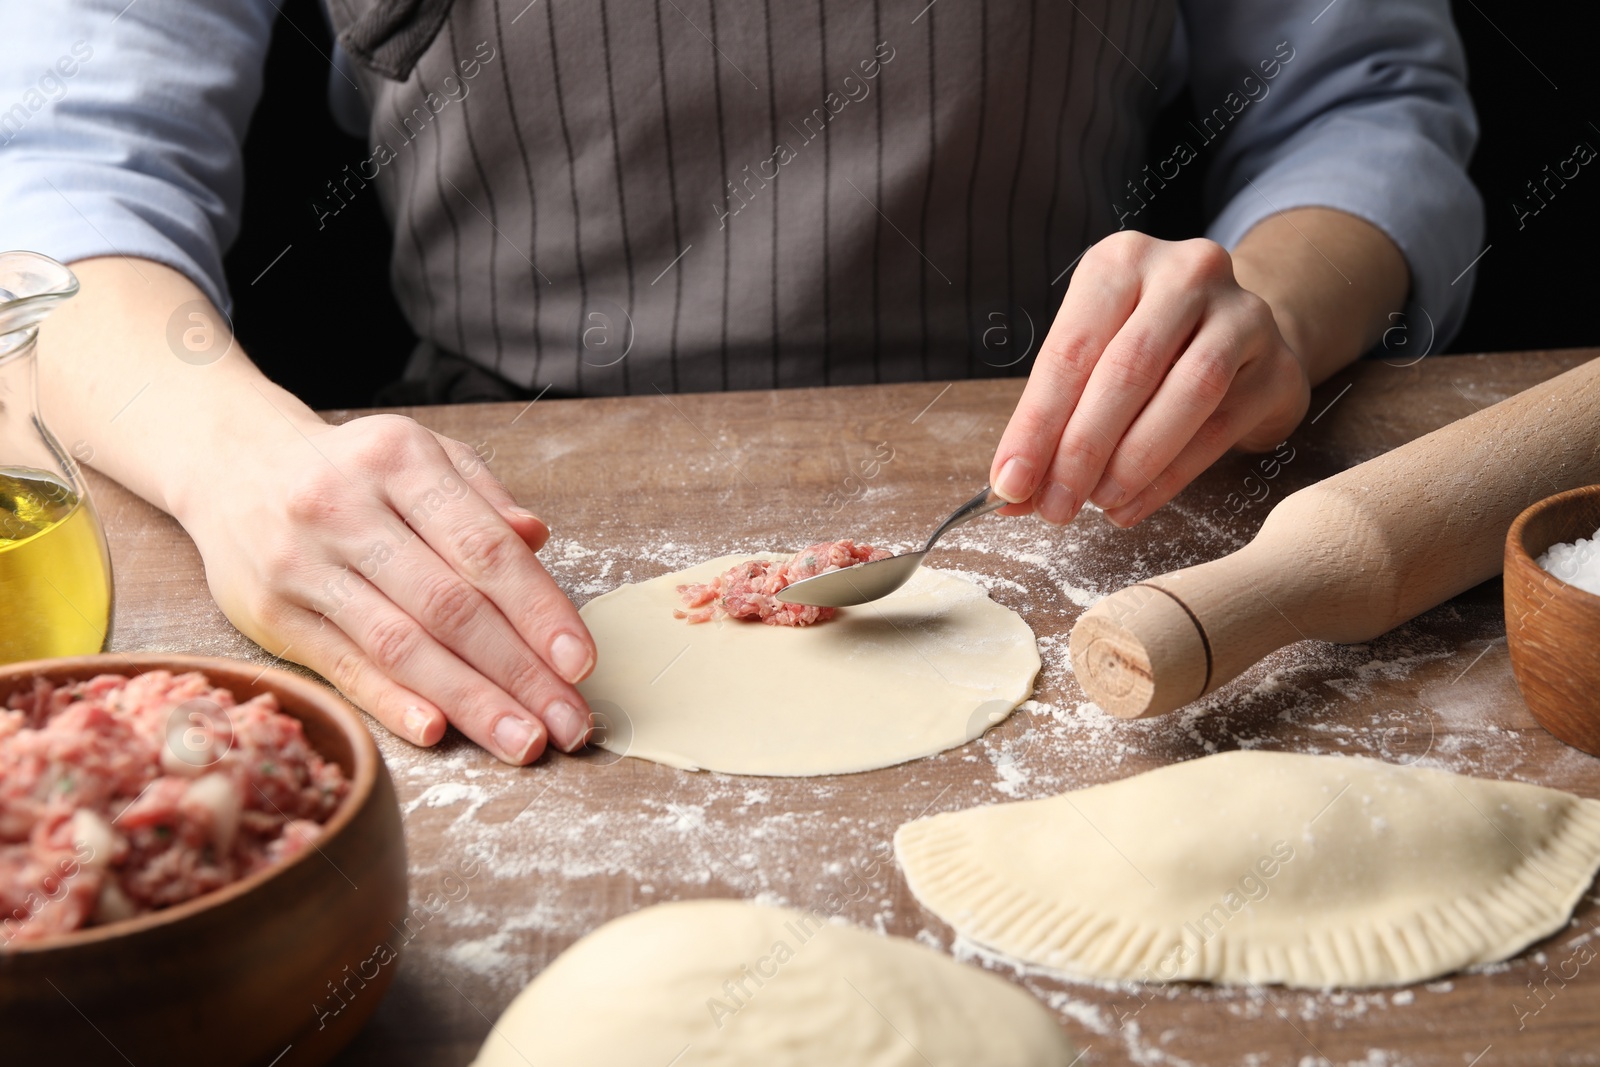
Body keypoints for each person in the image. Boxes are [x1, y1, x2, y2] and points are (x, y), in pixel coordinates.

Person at [0, 0, 1482, 765]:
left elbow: (1360, 94)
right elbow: (52, 173)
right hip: (492, 466)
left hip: (1088, 465)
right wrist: (229, 452)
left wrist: (1273, 309)